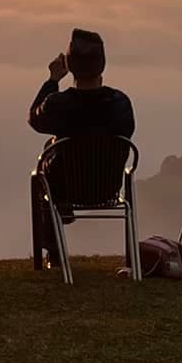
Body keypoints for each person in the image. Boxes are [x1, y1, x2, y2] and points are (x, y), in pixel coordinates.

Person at [28, 28, 135, 263]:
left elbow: (34, 119)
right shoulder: (121, 104)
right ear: (102, 65)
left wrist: (53, 80)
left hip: (67, 189)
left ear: (71, 66)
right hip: (108, 188)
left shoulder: (58, 105)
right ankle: (131, 260)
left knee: (41, 169)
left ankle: (54, 250)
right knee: (52, 144)